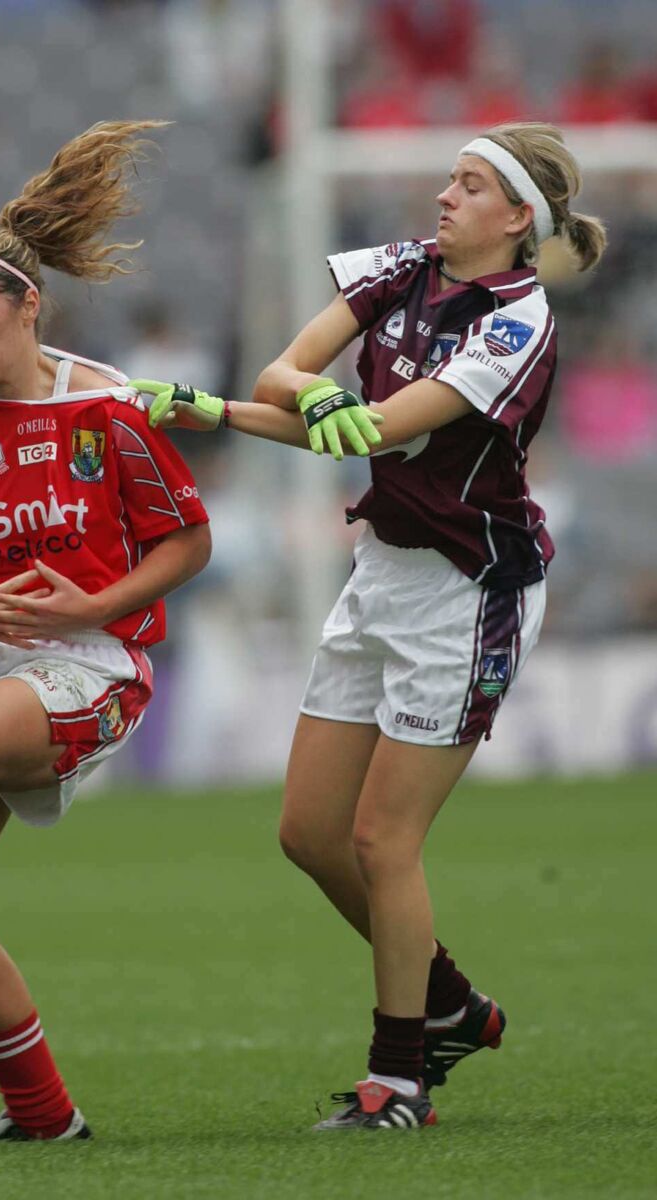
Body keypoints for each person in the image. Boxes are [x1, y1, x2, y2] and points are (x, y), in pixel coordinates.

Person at [133, 122, 606, 1131]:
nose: (444, 196)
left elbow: (382, 427)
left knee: (383, 840)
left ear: (517, 218)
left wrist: (320, 409)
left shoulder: (518, 325)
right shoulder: (400, 267)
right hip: (383, 569)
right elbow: (289, 380)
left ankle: (400, 1081)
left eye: (471, 186)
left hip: (470, 591)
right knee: (309, 832)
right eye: (450, 178)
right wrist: (223, 407)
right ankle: (448, 1004)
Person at [0, 120, 211, 1142]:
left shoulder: (108, 410)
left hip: (93, 665)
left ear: (30, 306)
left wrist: (94, 606)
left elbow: (188, 544)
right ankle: (43, 1117)